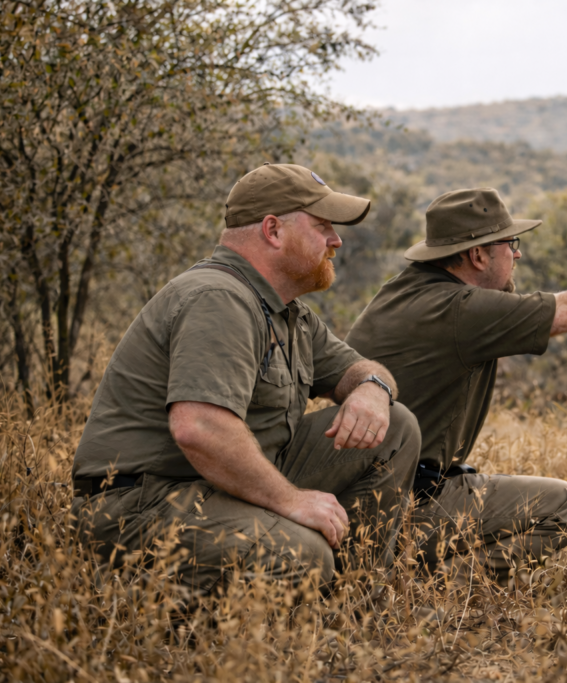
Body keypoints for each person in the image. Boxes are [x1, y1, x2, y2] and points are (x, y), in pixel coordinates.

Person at [71, 164, 421, 595]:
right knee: (304, 555)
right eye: (323, 226)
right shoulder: (219, 298)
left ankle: (348, 606)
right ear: (273, 231)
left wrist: (372, 389)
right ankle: (172, 632)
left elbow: (357, 369)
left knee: (396, 426)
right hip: (144, 504)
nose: (336, 241)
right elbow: (200, 429)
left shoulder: (286, 312)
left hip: (216, 486)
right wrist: (292, 502)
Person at [345, 187, 567, 580]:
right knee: (560, 505)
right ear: (478, 254)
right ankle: (435, 588)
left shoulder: (403, 292)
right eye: (510, 244)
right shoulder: (461, 310)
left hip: (357, 496)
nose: (517, 254)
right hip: (401, 505)